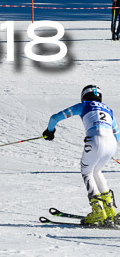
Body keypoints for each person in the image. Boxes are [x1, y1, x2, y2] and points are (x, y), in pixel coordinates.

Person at [43, 85, 120, 226]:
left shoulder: (84, 105)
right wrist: (105, 146)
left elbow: (54, 118)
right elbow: (117, 133)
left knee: (87, 171)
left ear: (83, 96)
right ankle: (110, 211)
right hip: (111, 144)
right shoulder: (109, 110)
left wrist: (50, 131)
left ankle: (98, 210)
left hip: (96, 141)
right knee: (97, 171)